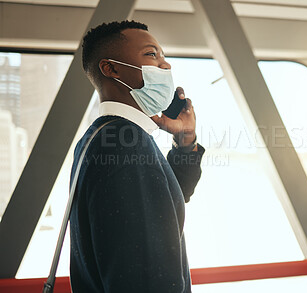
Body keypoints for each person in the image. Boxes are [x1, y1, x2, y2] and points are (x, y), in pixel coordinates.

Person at [69, 20, 205, 293]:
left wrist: (185, 139)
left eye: (164, 56)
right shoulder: (127, 146)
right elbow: (144, 278)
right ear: (111, 68)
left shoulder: (103, 137)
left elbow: (165, 199)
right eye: (152, 54)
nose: (165, 65)